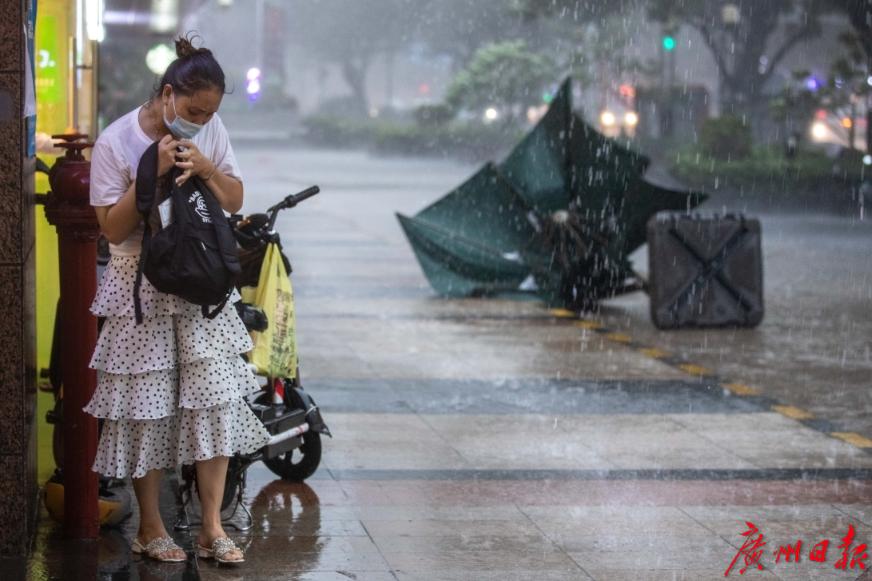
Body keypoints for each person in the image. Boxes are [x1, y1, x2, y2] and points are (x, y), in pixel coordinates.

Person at [85, 34, 270, 564]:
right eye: (193, 109)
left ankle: (212, 526)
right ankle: (150, 525)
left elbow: (235, 199)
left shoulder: (210, 130)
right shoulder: (116, 141)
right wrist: (153, 171)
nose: (201, 119)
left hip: (200, 285)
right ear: (168, 94)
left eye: (210, 112)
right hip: (138, 286)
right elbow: (111, 229)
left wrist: (207, 168)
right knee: (147, 409)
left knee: (213, 401)